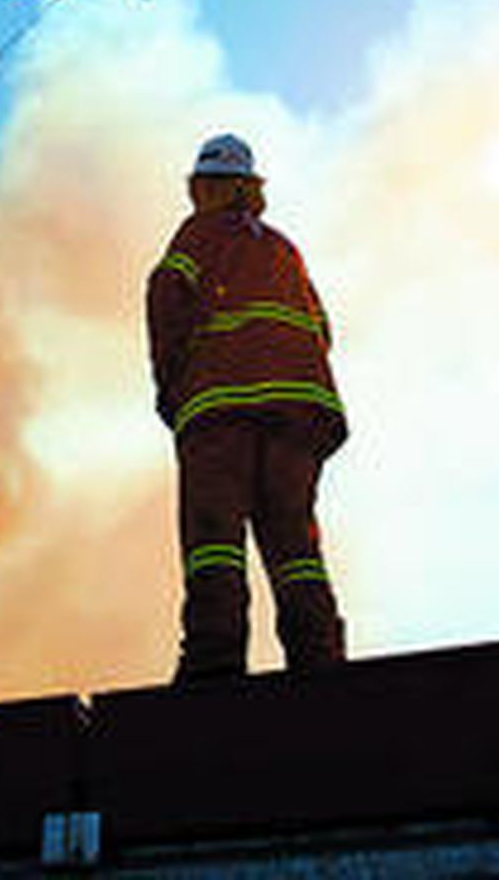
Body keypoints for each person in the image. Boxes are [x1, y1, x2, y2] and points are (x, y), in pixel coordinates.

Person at [147, 132, 348, 684]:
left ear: (207, 187)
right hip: (299, 416)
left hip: (220, 411)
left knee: (215, 541)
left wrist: (172, 390)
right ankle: (320, 661)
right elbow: (322, 328)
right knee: (294, 545)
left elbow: (166, 297)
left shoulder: (198, 236)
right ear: (251, 187)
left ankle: (214, 663)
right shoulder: (283, 246)